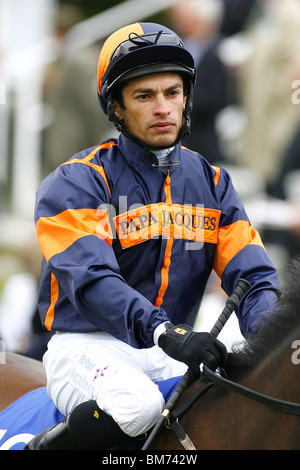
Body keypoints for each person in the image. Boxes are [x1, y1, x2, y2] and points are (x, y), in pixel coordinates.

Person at [25, 22, 280, 450]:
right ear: (117, 108)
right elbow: (93, 282)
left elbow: (254, 278)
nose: (163, 107)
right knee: (137, 406)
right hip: (88, 347)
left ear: (186, 98)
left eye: (172, 93)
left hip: (168, 347)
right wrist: (166, 332)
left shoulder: (213, 182)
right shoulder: (75, 182)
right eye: (145, 96)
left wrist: (271, 344)